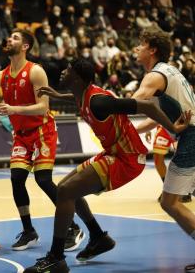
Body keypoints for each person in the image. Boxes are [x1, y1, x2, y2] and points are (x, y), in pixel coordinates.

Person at [23, 58, 191, 273]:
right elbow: (76, 96)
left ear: (77, 78)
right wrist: (58, 95)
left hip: (127, 159)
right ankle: (98, 237)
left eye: (67, 70)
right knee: (65, 188)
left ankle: (56, 258)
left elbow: (148, 105)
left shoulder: (98, 102)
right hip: (114, 152)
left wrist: (173, 127)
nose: (63, 72)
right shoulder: (82, 94)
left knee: (65, 191)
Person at [0, 29, 84, 252]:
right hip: (21, 135)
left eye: (15, 38)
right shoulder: (2, 75)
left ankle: (73, 228)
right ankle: (29, 231)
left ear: (26, 46)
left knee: (43, 180)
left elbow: (43, 107)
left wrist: (13, 109)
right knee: (17, 178)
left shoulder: (35, 71)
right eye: (9, 37)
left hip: (42, 131)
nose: (9, 39)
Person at [131, 27, 195, 273]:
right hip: (190, 132)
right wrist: (135, 131)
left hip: (190, 137)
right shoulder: (169, 72)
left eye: (141, 44)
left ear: (152, 49)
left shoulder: (155, 75)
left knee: (170, 203)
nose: (137, 48)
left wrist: (100, 104)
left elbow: (134, 103)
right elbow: (160, 114)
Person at [146, 125, 192, 202]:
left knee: (183, 156)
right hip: (164, 126)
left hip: (183, 125)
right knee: (157, 156)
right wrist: (148, 128)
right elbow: (156, 113)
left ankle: (184, 189)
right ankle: (168, 189)